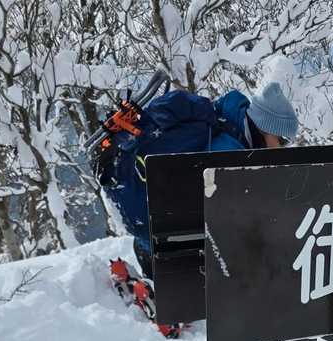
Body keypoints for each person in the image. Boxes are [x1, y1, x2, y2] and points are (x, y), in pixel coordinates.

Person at [107, 81, 301, 271]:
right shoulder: (230, 153)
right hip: (166, 244)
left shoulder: (225, 123)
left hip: (151, 228)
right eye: (282, 140)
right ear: (266, 127)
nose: (282, 148)